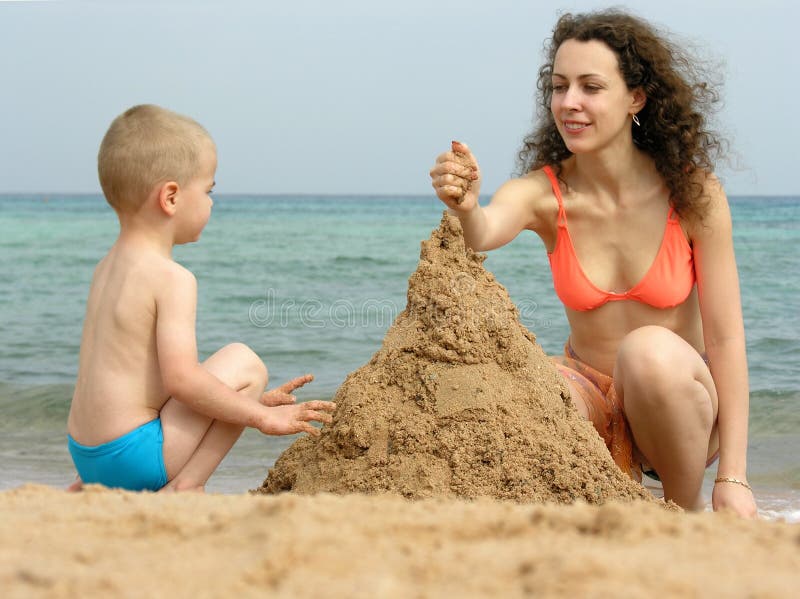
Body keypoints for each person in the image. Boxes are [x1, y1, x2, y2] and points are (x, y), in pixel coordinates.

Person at [430, 10, 757, 518]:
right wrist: (468, 205)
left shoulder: (693, 194)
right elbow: (484, 232)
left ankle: (685, 508)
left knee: (646, 352)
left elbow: (727, 340)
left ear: (636, 98)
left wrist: (734, 477)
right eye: (560, 87)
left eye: (591, 87)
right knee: (538, 382)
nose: (570, 103)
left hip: (679, 404)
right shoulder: (544, 192)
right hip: (590, 402)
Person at [67, 104, 336, 492]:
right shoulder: (172, 278)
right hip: (132, 458)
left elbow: (129, 381)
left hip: (86, 455)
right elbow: (181, 381)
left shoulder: (105, 269)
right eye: (209, 190)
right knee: (245, 363)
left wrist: (247, 403)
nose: (211, 202)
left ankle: (96, 485)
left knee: (229, 387)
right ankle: (187, 487)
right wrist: (261, 418)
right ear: (171, 197)